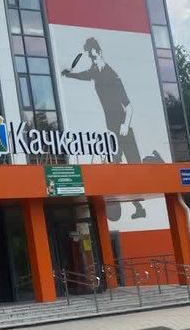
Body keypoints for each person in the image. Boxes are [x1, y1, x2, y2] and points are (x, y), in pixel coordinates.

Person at [61, 37, 146, 219]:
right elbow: (84, 75)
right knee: (115, 167)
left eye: (93, 56)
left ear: (100, 53)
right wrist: (69, 74)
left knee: (135, 167)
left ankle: (139, 206)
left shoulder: (113, 76)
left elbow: (129, 106)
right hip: (112, 131)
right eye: (90, 57)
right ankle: (136, 207)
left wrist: (125, 125)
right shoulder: (95, 71)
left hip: (123, 129)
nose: (92, 60)